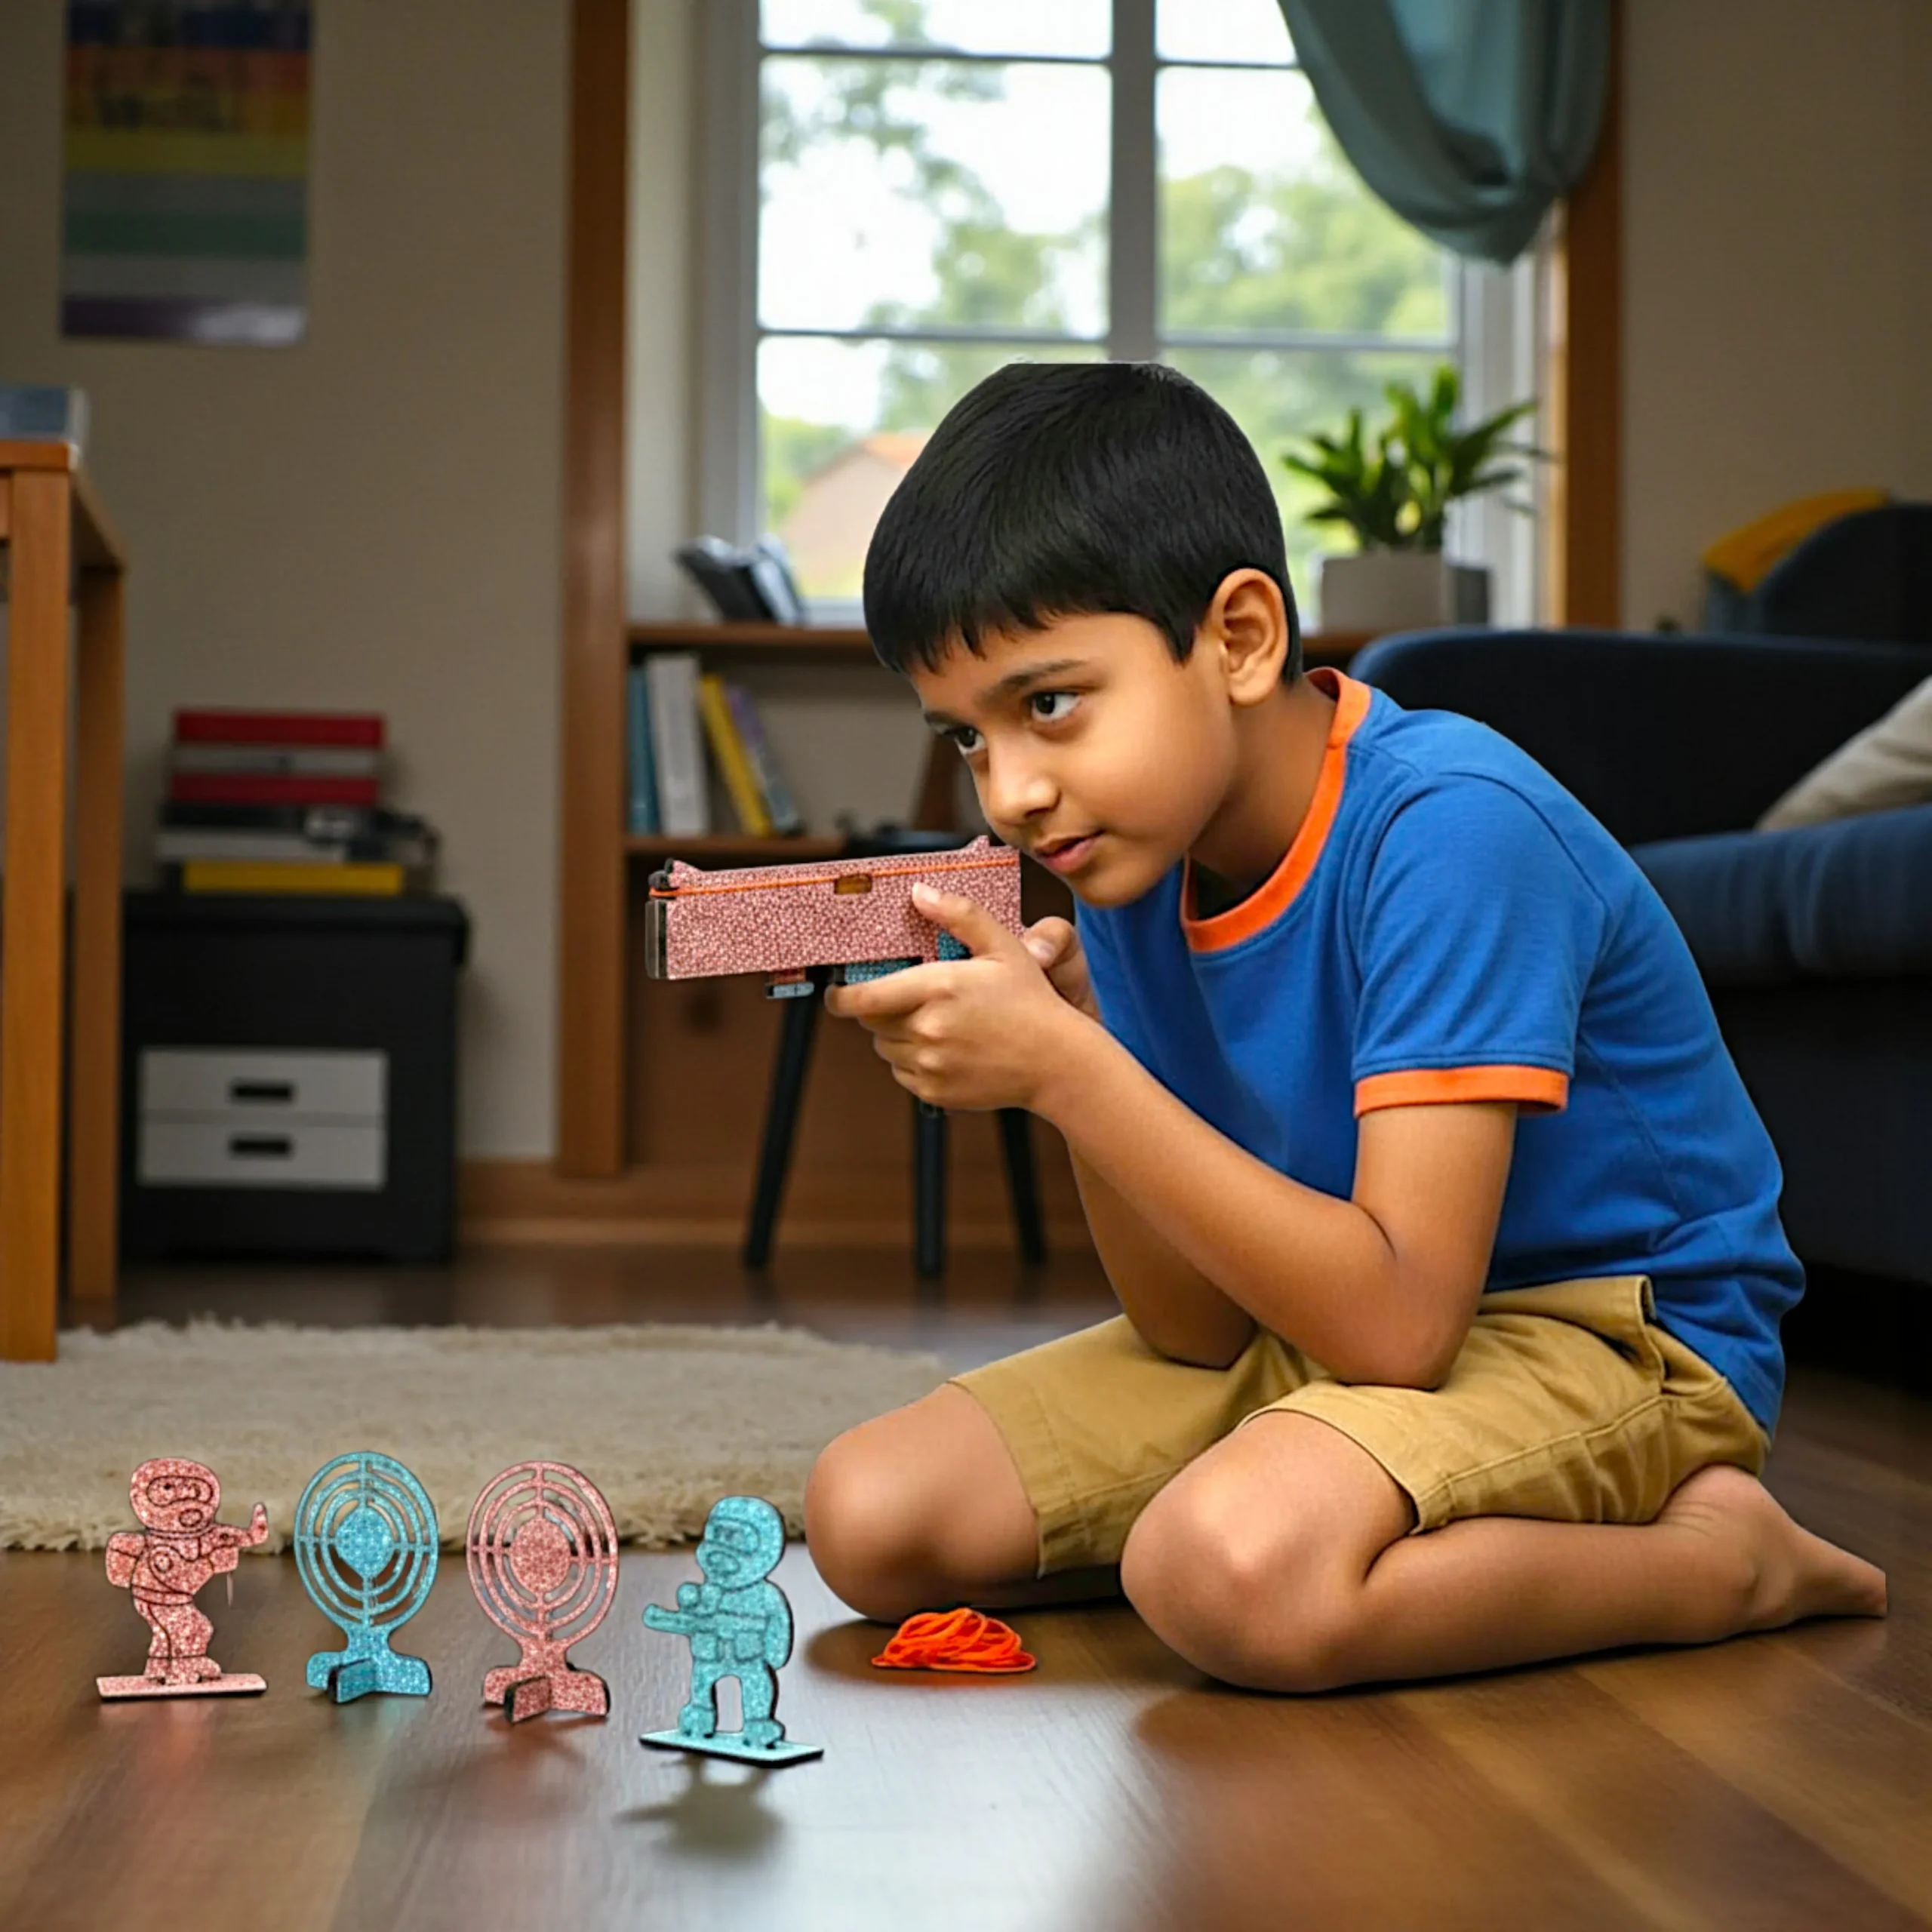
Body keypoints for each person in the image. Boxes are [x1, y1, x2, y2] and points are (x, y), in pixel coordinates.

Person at [803, 360, 1886, 1692]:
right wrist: (1073, 1047)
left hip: (1608, 1331)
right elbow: (1194, 1331)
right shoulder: (1131, 847)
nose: (1013, 791)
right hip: (1323, 1318)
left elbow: (1401, 1332)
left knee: (1222, 1572)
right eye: (967, 738)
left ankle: (1719, 1563)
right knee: (870, 1518)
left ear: (1243, 637)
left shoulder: (1450, 830)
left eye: (1048, 703)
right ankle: (1342, 1500)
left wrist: (1075, 1075)